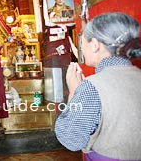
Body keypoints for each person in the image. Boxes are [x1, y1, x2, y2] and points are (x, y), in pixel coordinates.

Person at [55, 12, 141, 160]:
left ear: (95, 45)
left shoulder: (92, 87)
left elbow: (70, 138)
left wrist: (74, 93)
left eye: (83, 42)